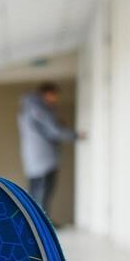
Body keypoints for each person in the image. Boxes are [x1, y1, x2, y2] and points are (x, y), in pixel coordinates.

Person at [18, 82, 83, 219]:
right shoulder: (39, 109)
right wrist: (76, 135)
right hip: (43, 159)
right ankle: (41, 223)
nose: (55, 99)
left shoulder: (28, 108)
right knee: (42, 193)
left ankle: (36, 223)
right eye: (54, 95)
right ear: (46, 94)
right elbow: (54, 131)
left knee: (35, 192)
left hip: (34, 159)